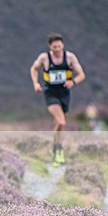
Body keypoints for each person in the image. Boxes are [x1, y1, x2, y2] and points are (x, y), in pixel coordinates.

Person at [30, 33, 86, 166]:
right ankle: (58, 152)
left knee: (59, 125)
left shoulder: (70, 57)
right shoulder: (45, 57)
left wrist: (73, 82)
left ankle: (54, 148)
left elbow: (81, 74)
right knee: (61, 123)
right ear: (50, 47)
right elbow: (34, 68)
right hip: (51, 93)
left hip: (65, 94)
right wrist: (36, 84)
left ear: (63, 45)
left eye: (59, 47)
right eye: (54, 47)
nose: (57, 50)